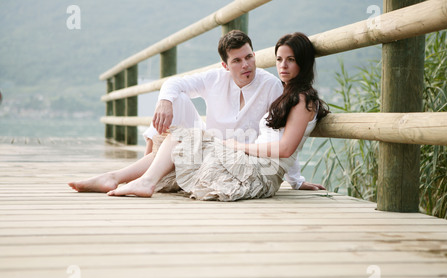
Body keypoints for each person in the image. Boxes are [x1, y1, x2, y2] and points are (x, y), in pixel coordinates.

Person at [68, 31, 324, 194]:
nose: (246, 65)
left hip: (241, 157)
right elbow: (284, 137)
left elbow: (286, 145)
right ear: (225, 65)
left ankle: (135, 179)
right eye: (237, 60)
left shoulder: (279, 90)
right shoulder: (285, 93)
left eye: (249, 57)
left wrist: (295, 179)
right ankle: (120, 177)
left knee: (184, 139)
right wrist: (164, 101)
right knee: (177, 113)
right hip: (226, 151)